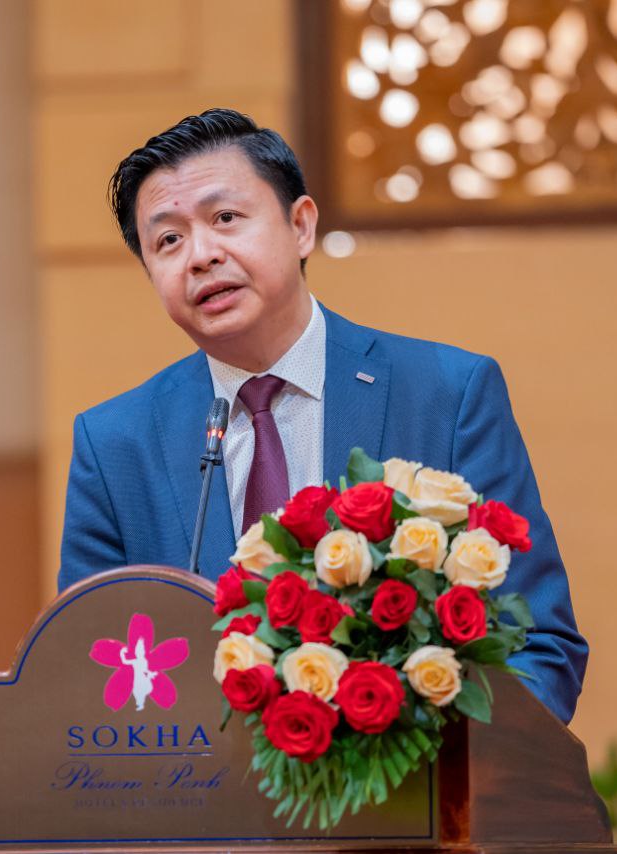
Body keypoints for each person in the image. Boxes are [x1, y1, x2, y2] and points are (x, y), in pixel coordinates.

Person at [57, 108, 587, 723]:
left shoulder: (446, 395)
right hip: (193, 782)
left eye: (225, 218)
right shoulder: (115, 445)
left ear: (301, 226)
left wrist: (409, 757)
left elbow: (538, 648)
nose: (200, 255)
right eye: (168, 240)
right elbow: (87, 679)